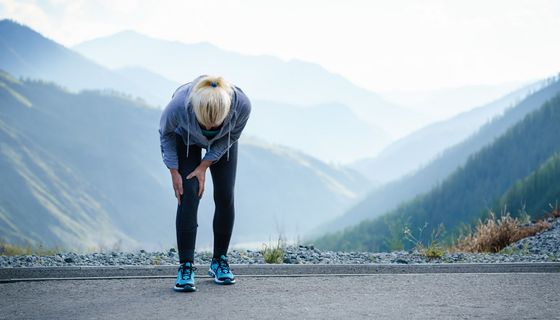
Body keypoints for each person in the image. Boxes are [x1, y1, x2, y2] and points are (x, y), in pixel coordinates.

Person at [159, 74, 252, 292]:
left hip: (224, 141)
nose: (208, 129)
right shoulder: (178, 107)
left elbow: (233, 136)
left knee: (225, 194)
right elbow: (165, 134)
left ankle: (219, 260)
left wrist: (204, 166)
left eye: (214, 125)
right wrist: (174, 171)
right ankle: (186, 266)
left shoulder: (242, 106)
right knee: (188, 192)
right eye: (205, 124)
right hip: (186, 138)